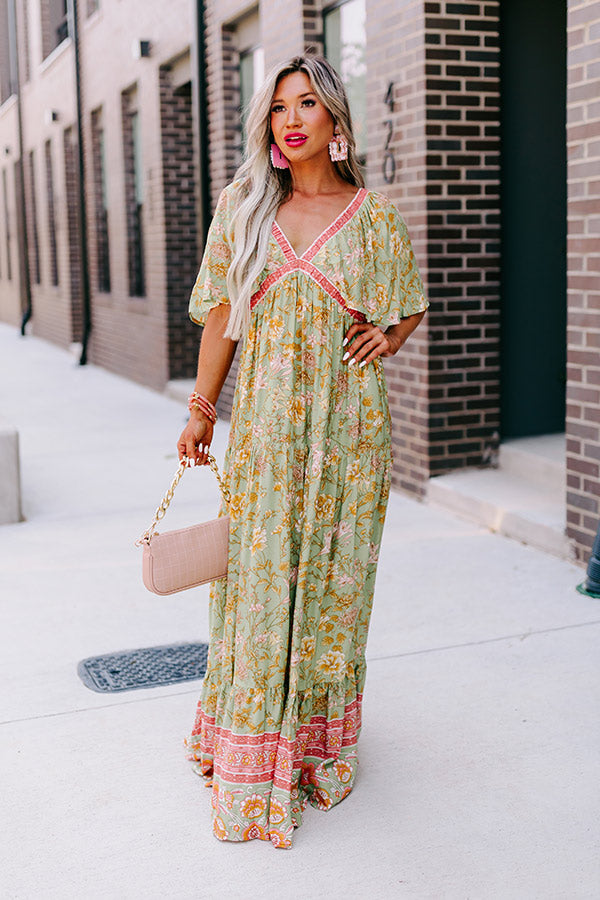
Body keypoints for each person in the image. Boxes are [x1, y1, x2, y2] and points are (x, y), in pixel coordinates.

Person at [177, 54, 428, 850]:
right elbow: (222, 315)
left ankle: (317, 752)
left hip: (351, 437)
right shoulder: (243, 206)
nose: (291, 119)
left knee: (332, 594)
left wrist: (388, 337)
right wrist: (202, 408)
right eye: (280, 106)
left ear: (335, 121)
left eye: (307, 104)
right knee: (255, 591)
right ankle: (251, 756)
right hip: (265, 434)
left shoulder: (373, 218)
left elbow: (409, 302)